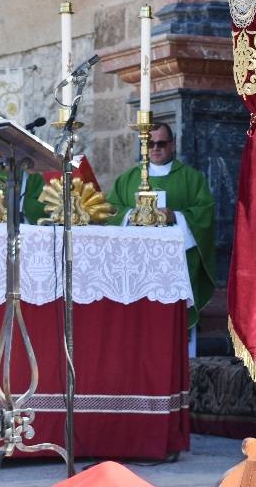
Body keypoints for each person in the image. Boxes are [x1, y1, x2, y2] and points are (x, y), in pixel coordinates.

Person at [107, 121, 216, 356]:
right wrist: (132, 214)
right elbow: (111, 211)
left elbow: (204, 214)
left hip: (177, 263)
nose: (155, 148)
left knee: (177, 328)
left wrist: (174, 216)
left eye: (161, 143)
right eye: (149, 143)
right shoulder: (128, 179)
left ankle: (187, 365)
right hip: (136, 264)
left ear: (173, 145)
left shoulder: (191, 178)